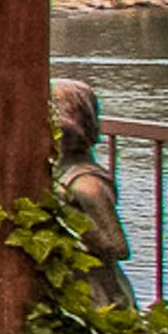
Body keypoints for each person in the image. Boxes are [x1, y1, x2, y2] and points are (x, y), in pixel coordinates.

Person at [52, 80, 137, 312]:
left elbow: (117, 247)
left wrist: (61, 211)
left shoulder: (86, 184)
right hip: (70, 288)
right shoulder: (55, 173)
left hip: (101, 297)